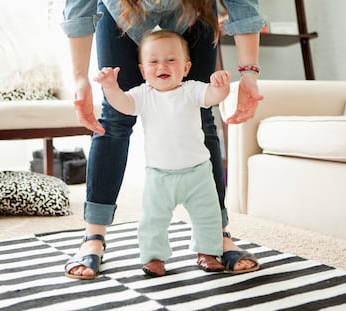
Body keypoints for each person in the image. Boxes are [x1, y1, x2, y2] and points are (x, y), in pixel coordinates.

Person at [62, 0, 264, 279]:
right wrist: (79, 78)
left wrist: (249, 74)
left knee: (203, 114)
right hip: (122, 10)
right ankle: (93, 236)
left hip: (194, 8)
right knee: (114, 121)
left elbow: (243, 4)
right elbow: (79, 6)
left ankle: (218, 235)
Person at [95, 29, 234, 277]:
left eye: (171, 60)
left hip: (198, 172)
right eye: (154, 61)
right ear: (142, 70)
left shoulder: (192, 90)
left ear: (186, 67)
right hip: (159, 175)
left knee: (208, 216)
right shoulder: (142, 95)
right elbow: (123, 105)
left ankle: (208, 252)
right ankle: (154, 257)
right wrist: (110, 87)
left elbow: (212, 97)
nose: (163, 66)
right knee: (153, 220)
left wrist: (221, 87)